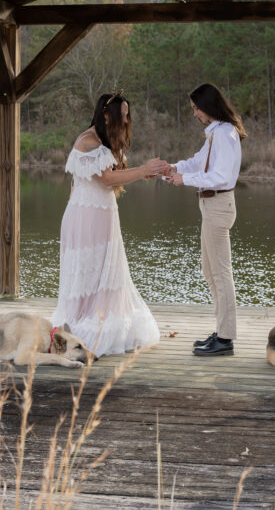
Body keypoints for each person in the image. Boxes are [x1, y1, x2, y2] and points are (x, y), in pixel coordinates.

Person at [51, 91, 168, 357]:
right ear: (106, 114)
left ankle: (101, 316)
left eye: (127, 115)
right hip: (87, 216)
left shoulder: (101, 141)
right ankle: (86, 325)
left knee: (104, 267)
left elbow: (110, 178)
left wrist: (137, 174)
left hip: (98, 213)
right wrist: (142, 170)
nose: (126, 120)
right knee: (91, 268)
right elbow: (104, 179)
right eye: (121, 115)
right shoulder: (89, 141)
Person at [166, 83, 247, 357]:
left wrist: (184, 179)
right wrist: (174, 169)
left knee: (221, 274)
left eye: (196, 108)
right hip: (211, 206)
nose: (194, 114)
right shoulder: (215, 134)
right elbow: (199, 162)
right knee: (209, 271)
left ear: (208, 106)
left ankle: (225, 339)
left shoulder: (224, 134)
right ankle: (222, 330)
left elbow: (222, 177)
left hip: (218, 205)